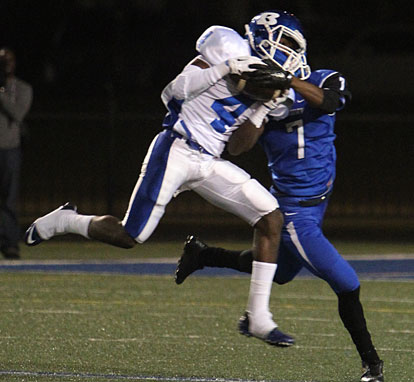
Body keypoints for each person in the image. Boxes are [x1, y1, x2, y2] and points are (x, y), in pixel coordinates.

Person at [24, 26, 296, 346]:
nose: (289, 54)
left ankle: (258, 318)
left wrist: (262, 108)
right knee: (131, 236)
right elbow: (173, 91)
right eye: (287, 42)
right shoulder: (225, 49)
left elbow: (237, 147)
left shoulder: (268, 90)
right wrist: (225, 69)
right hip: (177, 149)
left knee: (270, 218)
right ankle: (65, 220)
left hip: (209, 162)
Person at [174, 10, 384, 382]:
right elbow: (238, 147)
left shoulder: (322, 77)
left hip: (318, 202)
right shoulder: (257, 98)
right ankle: (373, 365)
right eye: (280, 42)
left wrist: (288, 81)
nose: (285, 49)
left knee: (282, 273)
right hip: (294, 211)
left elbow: (332, 100)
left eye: (289, 42)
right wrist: (261, 107)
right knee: (348, 283)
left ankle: (203, 254)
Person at [0, 47, 33, 259]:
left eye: (8, 61)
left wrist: (1, 95)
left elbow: (18, 113)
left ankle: (10, 243)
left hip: (9, 150)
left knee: (9, 200)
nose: (5, 65)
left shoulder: (22, 88)